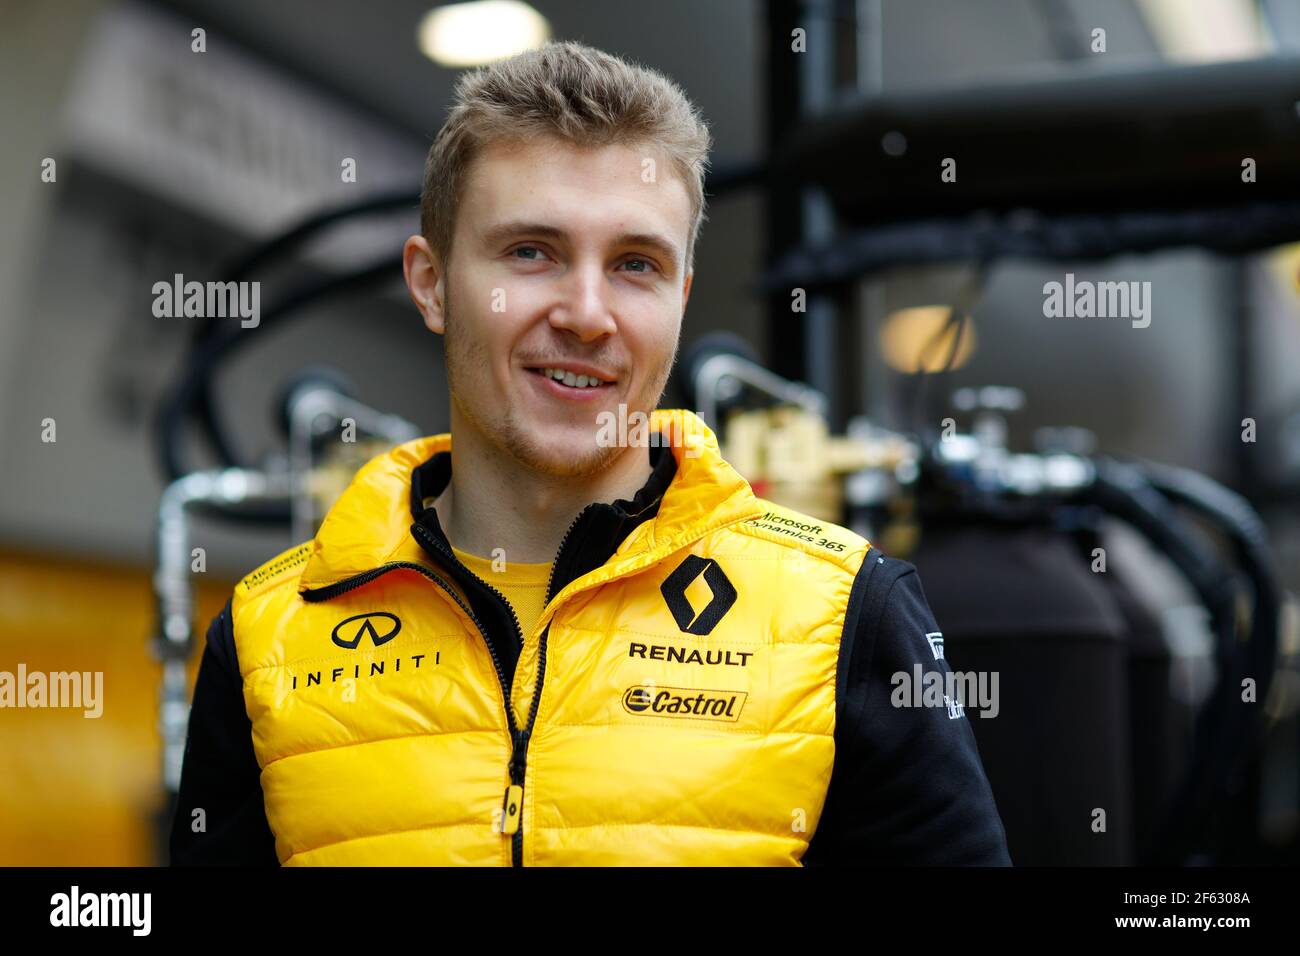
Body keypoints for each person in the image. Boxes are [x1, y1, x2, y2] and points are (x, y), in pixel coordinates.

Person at [170, 40, 1010, 866]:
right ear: (431, 283)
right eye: (531, 252)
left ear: (679, 299)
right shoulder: (266, 637)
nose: (586, 313)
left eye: (635, 264)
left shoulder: (845, 616)